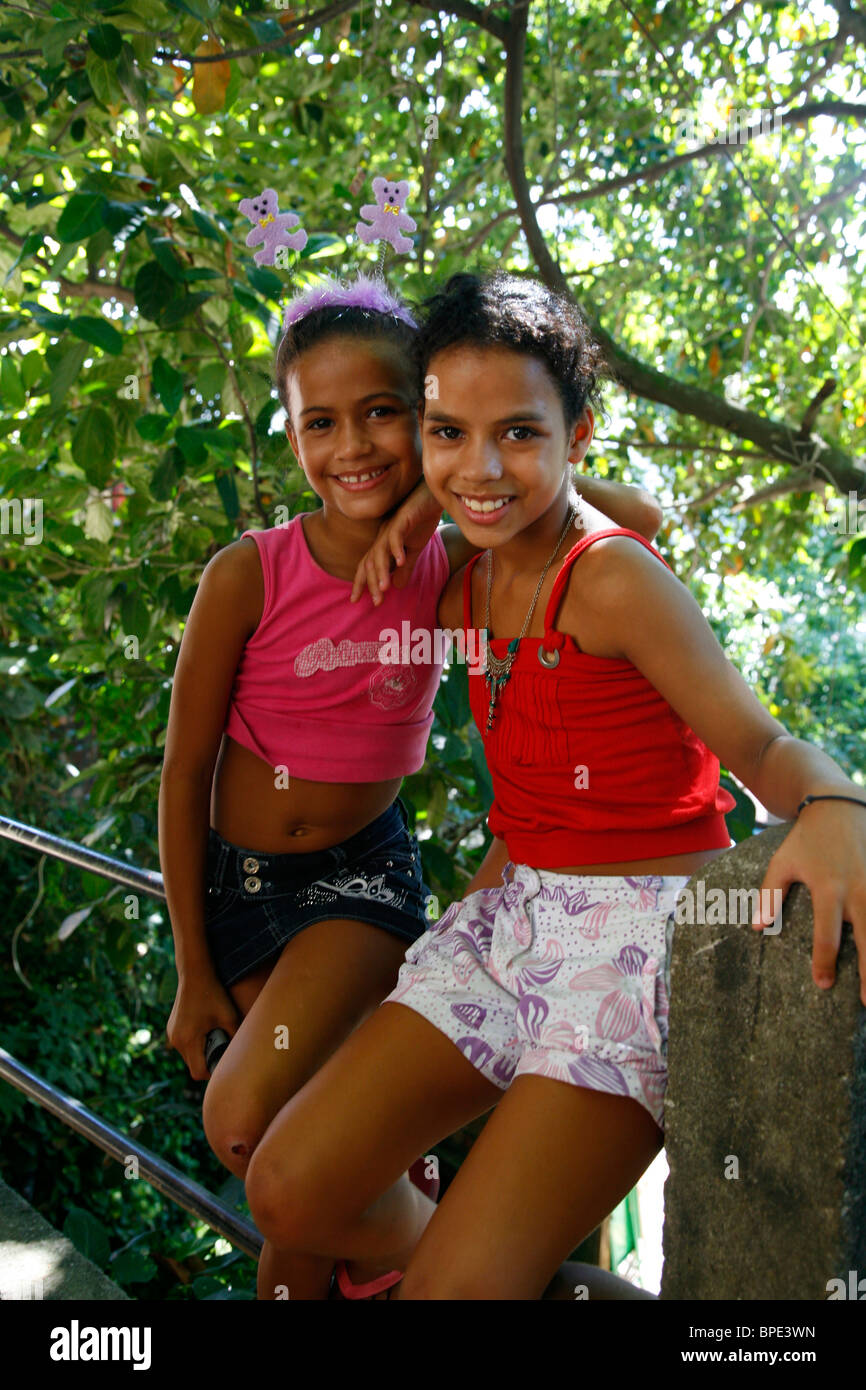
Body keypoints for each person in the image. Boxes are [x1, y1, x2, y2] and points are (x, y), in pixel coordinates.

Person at [243, 270, 866, 1301]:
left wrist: (836, 807)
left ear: (577, 433)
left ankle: (503, 1270)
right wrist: (426, 498)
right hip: (511, 916)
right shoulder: (453, 573)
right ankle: (522, 1268)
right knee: (286, 1190)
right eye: (446, 432)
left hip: (632, 957)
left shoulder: (612, 580)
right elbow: (512, 492)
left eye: (519, 433)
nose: (479, 465)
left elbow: (762, 749)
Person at [158, 271, 664, 1300]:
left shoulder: (451, 559)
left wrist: (444, 489)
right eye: (321, 422)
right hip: (241, 890)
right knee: (289, 1210)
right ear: (289, 434)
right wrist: (191, 962)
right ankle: (456, 1262)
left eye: (385, 414)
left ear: (425, 420)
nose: (354, 446)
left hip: (358, 884)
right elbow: (186, 768)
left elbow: (637, 517)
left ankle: (451, 1250)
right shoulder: (247, 572)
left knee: (244, 1116)